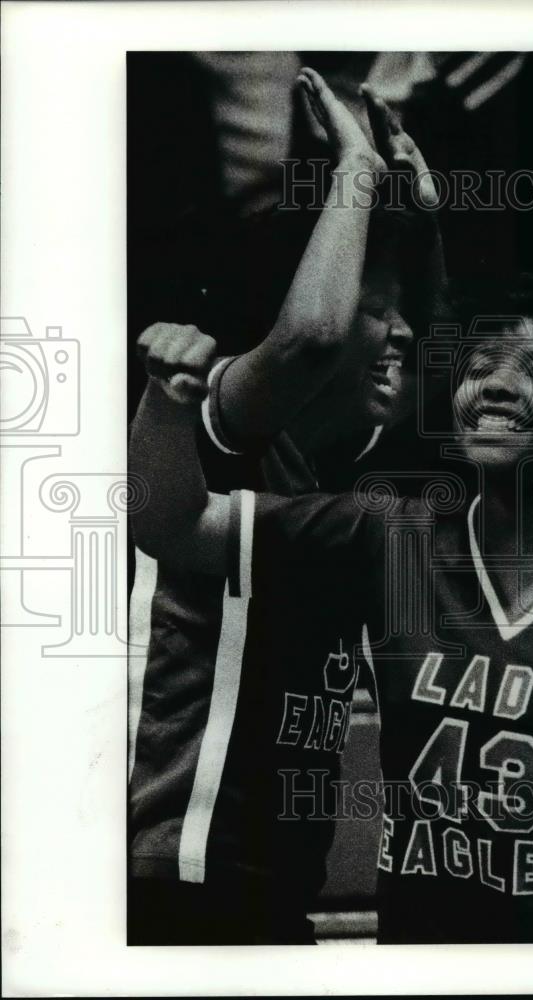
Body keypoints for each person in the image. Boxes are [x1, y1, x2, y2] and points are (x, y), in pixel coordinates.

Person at [130, 269, 533, 944]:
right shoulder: (388, 536)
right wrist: (168, 403)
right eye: (479, 367)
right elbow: (171, 525)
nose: (494, 386)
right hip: (431, 963)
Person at [128, 67, 444, 944]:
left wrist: (420, 218)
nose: (403, 332)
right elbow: (309, 339)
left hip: (270, 869)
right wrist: (354, 173)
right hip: (177, 861)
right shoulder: (228, 422)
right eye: (375, 309)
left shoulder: (341, 458)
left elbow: (436, 350)